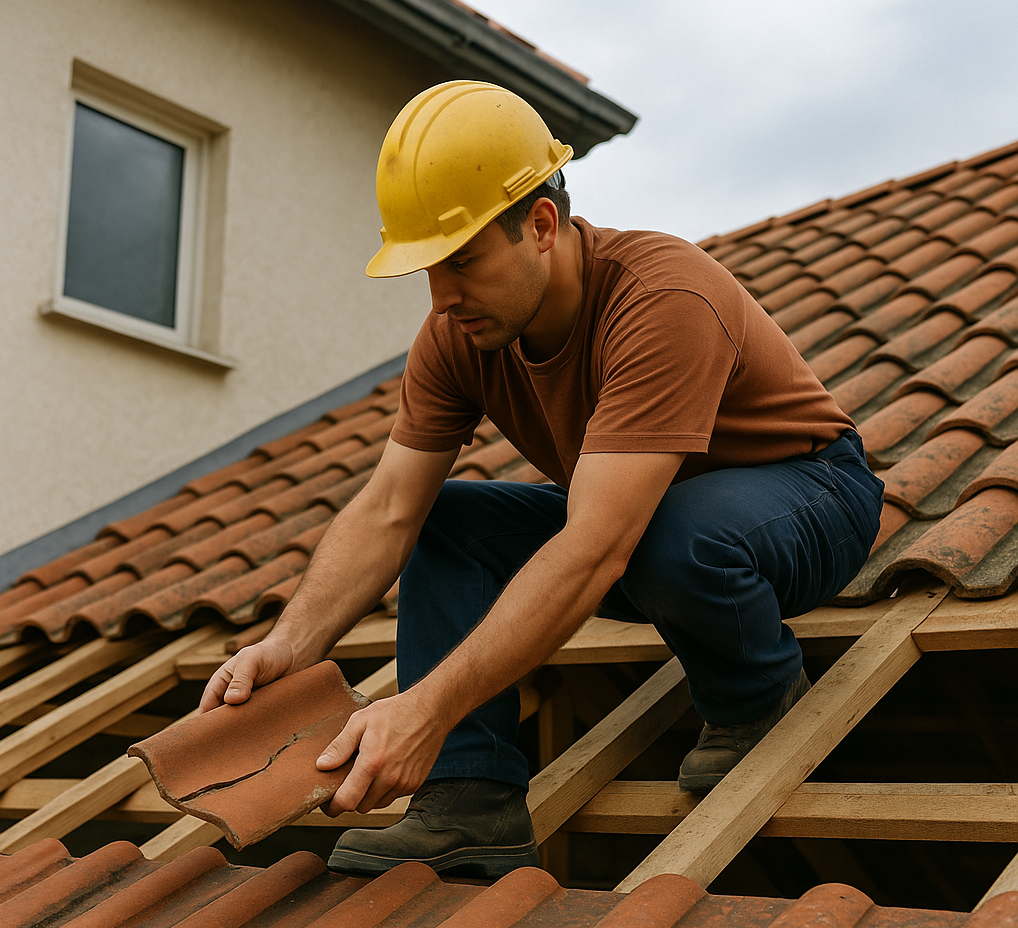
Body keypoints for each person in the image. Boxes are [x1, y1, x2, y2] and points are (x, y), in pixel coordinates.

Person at [200, 80, 884, 878]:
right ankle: (468, 799)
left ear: (542, 225)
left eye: (461, 262)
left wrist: (422, 707)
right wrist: (290, 643)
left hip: (808, 498)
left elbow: (595, 545)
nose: (443, 297)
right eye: (426, 270)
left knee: (669, 532)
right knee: (445, 520)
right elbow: (390, 508)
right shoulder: (460, 335)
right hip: (644, 528)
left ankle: (754, 695)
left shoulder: (661, 296)